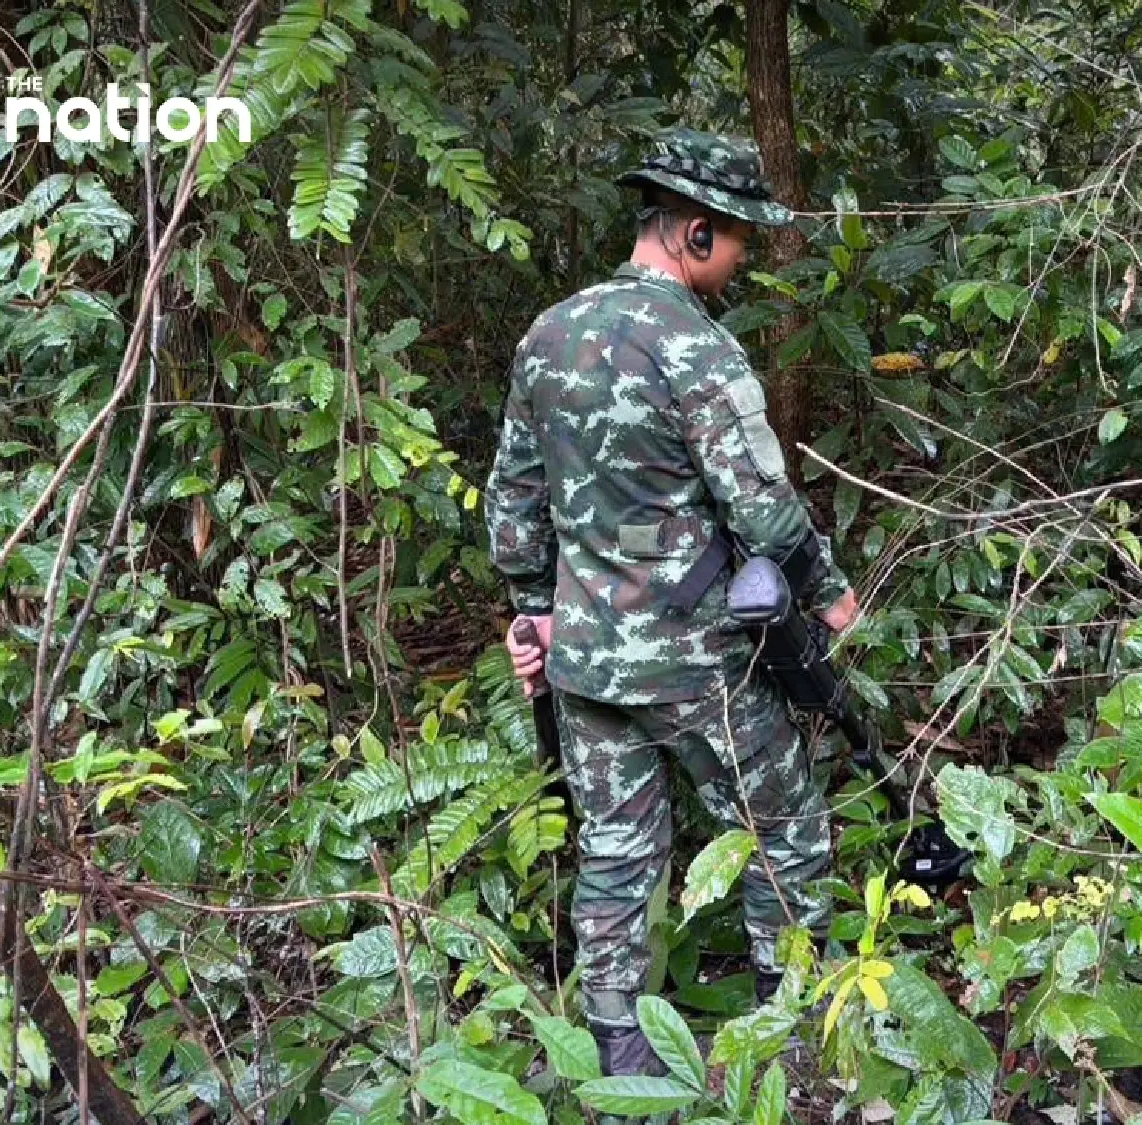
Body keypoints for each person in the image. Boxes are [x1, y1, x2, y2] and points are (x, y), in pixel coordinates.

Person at [483, 127, 859, 1078]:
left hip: (585, 663)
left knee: (614, 854)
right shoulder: (699, 349)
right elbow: (762, 507)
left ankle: (621, 1063)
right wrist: (828, 593)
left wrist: (537, 610)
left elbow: (513, 504)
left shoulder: (548, 333)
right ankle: (791, 1050)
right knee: (784, 830)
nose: (739, 261)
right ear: (693, 233)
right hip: (697, 662)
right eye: (734, 242)